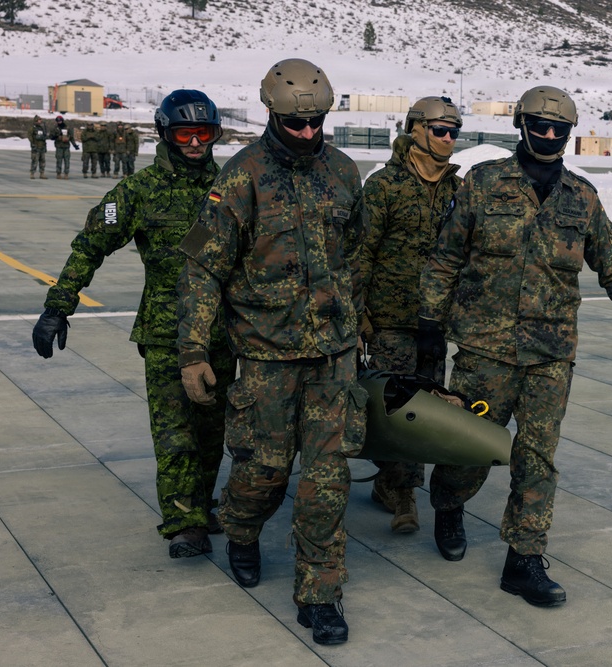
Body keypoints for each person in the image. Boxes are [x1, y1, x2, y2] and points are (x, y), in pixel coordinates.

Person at [417, 85, 612, 608]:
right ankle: (449, 503)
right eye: (539, 127)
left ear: (569, 135)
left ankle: (524, 558)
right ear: (521, 126)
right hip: (486, 349)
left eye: (559, 130)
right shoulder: (483, 183)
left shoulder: (582, 197)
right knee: (470, 448)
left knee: (537, 457)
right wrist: (429, 321)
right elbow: (445, 257)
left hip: (551, 353)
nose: (548, 136)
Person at [176, 59, 366, 646]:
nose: (308, 133)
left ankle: (320, 592)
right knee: (263, 469)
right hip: (265, 356)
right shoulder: (241, 177)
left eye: (317, 122)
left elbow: (352, 254)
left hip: (331, 357)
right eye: (295, 123)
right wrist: (192, 350)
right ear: (271, 113)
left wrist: (358, 325)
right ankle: (239, 527)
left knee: (327, 478)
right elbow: (203, 267)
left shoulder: (343, 172)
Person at [32, 90, 235, 560]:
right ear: (166, 134)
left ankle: (201, 505)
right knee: (175, 434)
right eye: (185, 133)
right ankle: (185, 523)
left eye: (204, 133)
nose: (195, 143)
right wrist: (57, 306)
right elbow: (89, 246)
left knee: (211, 434)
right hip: (165, 334)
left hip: (223, 333)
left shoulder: (232, 186)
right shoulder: (138, 192)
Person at [361, 96, 463, 534]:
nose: (448, 139)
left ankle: (398, 484)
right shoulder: (384, 186)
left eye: (454, 132)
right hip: (389, 320)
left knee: (427, 409)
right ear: (415, 129)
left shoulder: (458, 191)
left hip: (433, 323)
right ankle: (400, 491)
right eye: (440, 130)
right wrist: (358, 311)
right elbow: (361, 252)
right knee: (396, 408)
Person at [51, 115, 80, 179]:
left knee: (67, 160)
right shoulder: (55, 128)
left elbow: (71, 137)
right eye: (58, 121)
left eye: (60, 121)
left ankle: (66, 173)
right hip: (59, 146)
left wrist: (75, 145)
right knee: (59, 160)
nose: (59, 122)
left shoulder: (67, 128)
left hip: (66, 146)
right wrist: (57, 137)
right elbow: (51, 136)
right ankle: (58, 173)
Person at [27, 115, 49, 179]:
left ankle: (42, 173)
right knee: (34, 160)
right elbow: (29, 136)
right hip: (36, 147)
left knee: (42, 161)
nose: (40, 121)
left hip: (42, 147)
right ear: (36, 120)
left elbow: (44, 136)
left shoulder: (42, 128)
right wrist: (32, 143)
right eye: (39, 120)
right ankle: (32, 173)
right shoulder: (32, 128)